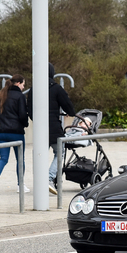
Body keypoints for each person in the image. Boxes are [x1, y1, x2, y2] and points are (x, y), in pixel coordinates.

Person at [26, 63, 76, 195]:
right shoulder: (56, 88)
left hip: (39, 130)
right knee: (60, 153)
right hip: (54, 127)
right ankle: (48, 178)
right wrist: (70, 113)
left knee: (40, 155)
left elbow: (29, 110)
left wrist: (38, 121)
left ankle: (40, 182)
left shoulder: (33, 89)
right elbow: (69, 108)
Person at [0, 74, 30, 195]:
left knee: (3, 159)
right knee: (20, 160)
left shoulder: (1, 95)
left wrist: (3, 120)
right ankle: (20, 185)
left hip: (1, 133)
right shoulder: (20, 96)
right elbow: (23, 115)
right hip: (16, 133)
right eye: (23, 84)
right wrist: (25, 123)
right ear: (18, 83)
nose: (23, 87)